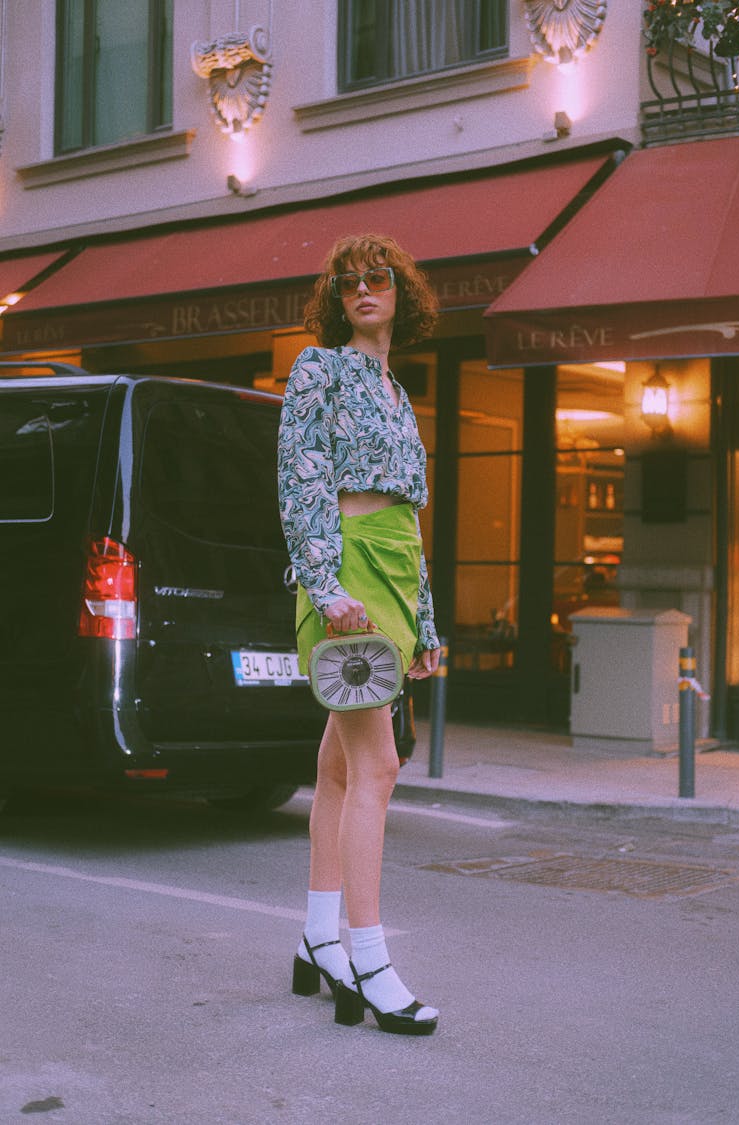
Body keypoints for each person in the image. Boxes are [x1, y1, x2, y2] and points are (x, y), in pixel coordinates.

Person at [277, 233, 441, 1035]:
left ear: (400, 291)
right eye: (348, 283)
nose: (363, 290)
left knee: (340, 766)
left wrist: (428, 620)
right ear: (334, 298)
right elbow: (299, 477)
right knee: (378, 765)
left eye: (377, 278)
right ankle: (369, 959)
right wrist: (326, 584)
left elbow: (412, 518)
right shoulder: (320, 368)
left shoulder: (397, 391)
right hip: (347, 579)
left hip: (394, 580)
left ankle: (317, 936)